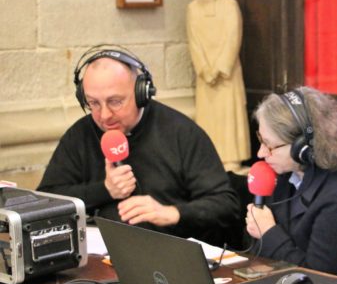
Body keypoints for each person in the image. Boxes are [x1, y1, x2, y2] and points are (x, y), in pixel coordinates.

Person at [37, 47, 241, 246]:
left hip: (172, 252)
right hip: (105, 255)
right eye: (94, 103)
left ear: (141, 93)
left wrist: (172, 213)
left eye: (115, 101)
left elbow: (226, 205)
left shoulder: (181, 133)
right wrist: (105, 190)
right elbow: (46, 201)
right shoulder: (80, 135)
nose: (105, 115)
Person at [244, 86, 337, 282]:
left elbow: (319, 277)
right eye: (261, 140)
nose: (261, 153)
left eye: (270, 145)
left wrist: (268, 233)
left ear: (302, 148)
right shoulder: (284, 172)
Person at [186, 0, 251, 173]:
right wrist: (205, 69)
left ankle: (232, 159)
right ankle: (211, 158)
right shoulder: (193, 8)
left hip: (226, 73)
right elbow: (193, 41)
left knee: (228, 114)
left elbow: (233, 36)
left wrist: (220, 67)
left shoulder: (229, 5)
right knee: (209, 117)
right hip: (205, 75)